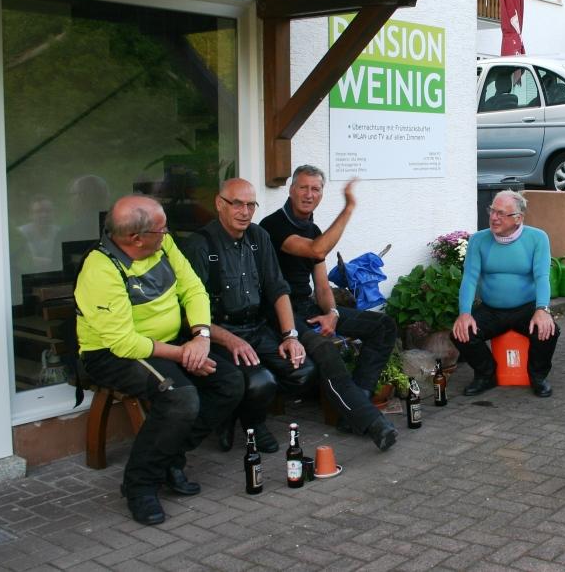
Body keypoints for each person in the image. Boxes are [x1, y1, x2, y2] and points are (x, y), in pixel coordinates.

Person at [75, 195, 243, 526]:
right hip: (111, 354)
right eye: (161, 229)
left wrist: (201, 337)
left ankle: (169, 458)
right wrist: (185, 354)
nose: (168, 234)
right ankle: (139, 486)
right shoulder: (101, 269)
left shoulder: (162, 247)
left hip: (172, 343)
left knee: (230, 383)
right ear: (135, 238)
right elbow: (123, 342)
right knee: (179, 397)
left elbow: (193, 289)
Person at [259, 166, 398, 451]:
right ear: (290, 189)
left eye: (316, 189)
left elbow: (322, 286)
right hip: (278, 313)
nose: (309, 194)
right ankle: (372, 423)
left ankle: (354, 408)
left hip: (306, 307)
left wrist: (332, 314)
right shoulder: (273, 226)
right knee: (324, 348)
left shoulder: (314, 230)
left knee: (383, 326)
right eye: (303, 187)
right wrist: (348, 208)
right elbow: (316, 250)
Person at [182, 178, 316, 455]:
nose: (245, 212)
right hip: (216, 334)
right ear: (220, 204)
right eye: (237, 204)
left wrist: (290, 336)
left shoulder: (258, 237)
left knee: (302, 370)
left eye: (251, 205)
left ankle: (237, 414)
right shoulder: (200, 246)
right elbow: (189, 312)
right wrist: (230, 340)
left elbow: (277, 287)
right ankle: (254, 424)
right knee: (260, 380)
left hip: (256, 328)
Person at [451, 190, 559, 397]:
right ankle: (486, 375)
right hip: (491, 309)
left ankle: (537, 376)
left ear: (518, 218)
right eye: (492, 211)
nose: (493, 217)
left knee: (549, 331)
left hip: (526, 307)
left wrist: (542, 309)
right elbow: (470, 278)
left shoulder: (537, 238)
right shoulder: (478, 240)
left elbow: (542, 276)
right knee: (461, 334)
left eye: (501, 213)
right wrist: (464, 313)